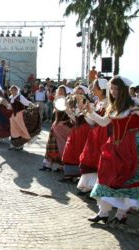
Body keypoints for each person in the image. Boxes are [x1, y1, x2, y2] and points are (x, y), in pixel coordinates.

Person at [85, 76, 139, 225]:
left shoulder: (134, 104)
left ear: (124, 90)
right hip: (114, 145)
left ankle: (121, 214)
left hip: (130, 146)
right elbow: (103, 123)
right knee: (106, 176)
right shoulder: (114, 106)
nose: (114, 91)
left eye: (117, 88)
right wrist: (89, 112)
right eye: (112, 88)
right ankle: (103, 212)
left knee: (125, 179)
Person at [77, 78, 110, 193]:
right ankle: (89, 186)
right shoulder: (97, 102)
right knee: (90, 159)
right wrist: (86, 112)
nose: (92, 90)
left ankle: (95, 187)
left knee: (98, 160)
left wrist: (89, 111)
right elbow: (91, 122)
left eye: (94, 88)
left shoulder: (108, 103)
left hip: (104, 134)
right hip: (95, 134)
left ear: (101, 90)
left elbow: (103, 121)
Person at [59, 85, 92, 183]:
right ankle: (70, 175)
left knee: (81, 152)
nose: (79, 95)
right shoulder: (74, 103)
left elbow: (90, 120)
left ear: (85, 93)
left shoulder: (89, 104)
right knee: (70, 151)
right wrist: (69, 112)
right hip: (76, 130)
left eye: (81, 93)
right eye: (77, 93)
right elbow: (75, 120)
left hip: (85, 131)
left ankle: (80, 177)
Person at [40, 85, 73, 171]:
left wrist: (64, 122)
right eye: (60, 90)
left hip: (64, 127)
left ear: (66, 92)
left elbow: (71, 115)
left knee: (61, 146)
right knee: (51, 146)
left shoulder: (68, 101)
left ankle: (61, 166)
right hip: (56, 126)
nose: (60, 92)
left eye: (62, 91)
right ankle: (48, 165)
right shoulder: (57, 100)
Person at [9, 85, 37, 150]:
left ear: (16, 90)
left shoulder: (20, 97)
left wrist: (34, 107)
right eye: (11, 90)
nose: (12, 91)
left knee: (20, 129)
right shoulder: (11, 97)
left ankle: (20, 145)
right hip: (13, 116)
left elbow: (27, 103)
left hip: (20, 115)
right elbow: (10, 106)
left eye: (14, 89)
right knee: (13, 130)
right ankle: (13, 144)